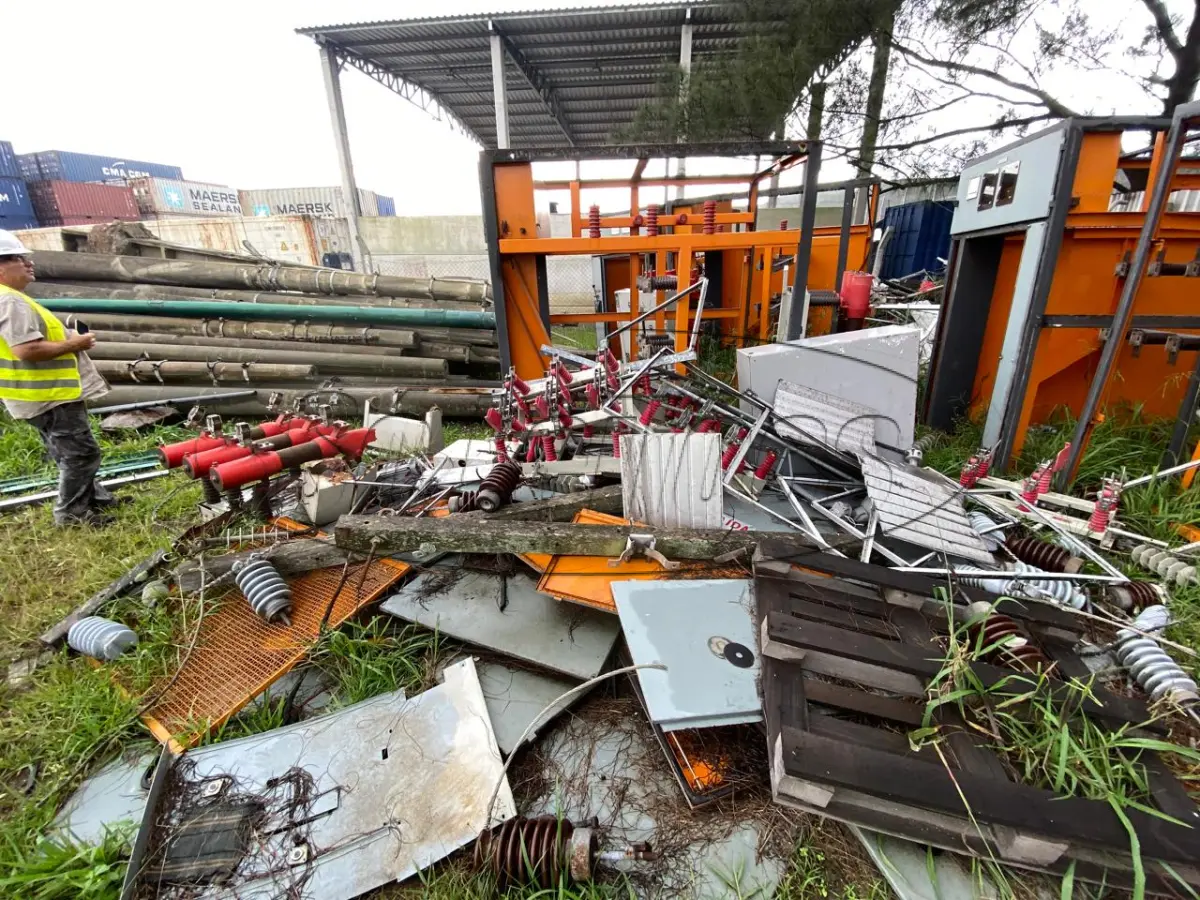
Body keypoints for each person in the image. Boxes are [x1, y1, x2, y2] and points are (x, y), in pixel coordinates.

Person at [0, 229, 117, 526]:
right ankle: (71, 514)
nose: (28, 263)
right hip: (49, 394)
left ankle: (96, 499)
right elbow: (27, 349)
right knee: (81, 454)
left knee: (67, 452)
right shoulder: (10, 301)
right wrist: (75, 344)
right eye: (18, 258)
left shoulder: (11, 298)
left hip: (35, 395)